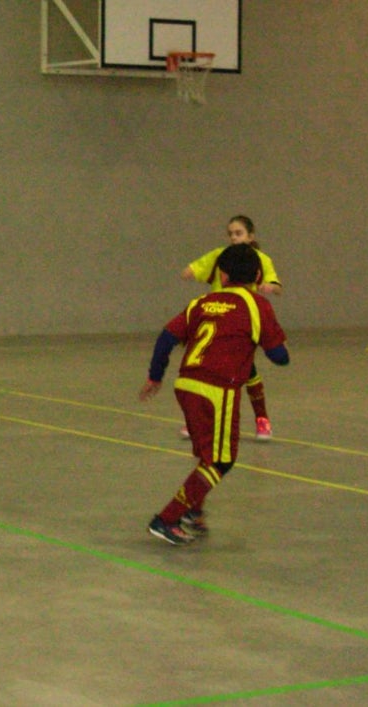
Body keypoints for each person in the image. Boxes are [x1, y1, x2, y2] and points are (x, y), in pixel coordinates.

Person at [140, 243, 290, 544]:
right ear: (258, 274)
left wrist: (155, 376)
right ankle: (166, 518)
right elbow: (278, 356)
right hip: (217, 390)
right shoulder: (256, 305)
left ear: (221, 275)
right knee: (220, 461)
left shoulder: (202, 303)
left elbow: (165, 339)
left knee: (205, 454)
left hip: (185, 386)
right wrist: (272, 345)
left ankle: (192, 514)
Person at [181, 215, 283, 441]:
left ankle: (262, 419)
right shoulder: (220, 256)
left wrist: (269, 287)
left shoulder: (260, 259)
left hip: (242, 322)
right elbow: (197, 267)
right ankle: (197, 419)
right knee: (205, 370)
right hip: (217, 319)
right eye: (231, 234)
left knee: (248, 371)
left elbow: (277, 287)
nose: (234, 238)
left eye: (239, 233)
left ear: (251, 236)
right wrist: (190, 271)